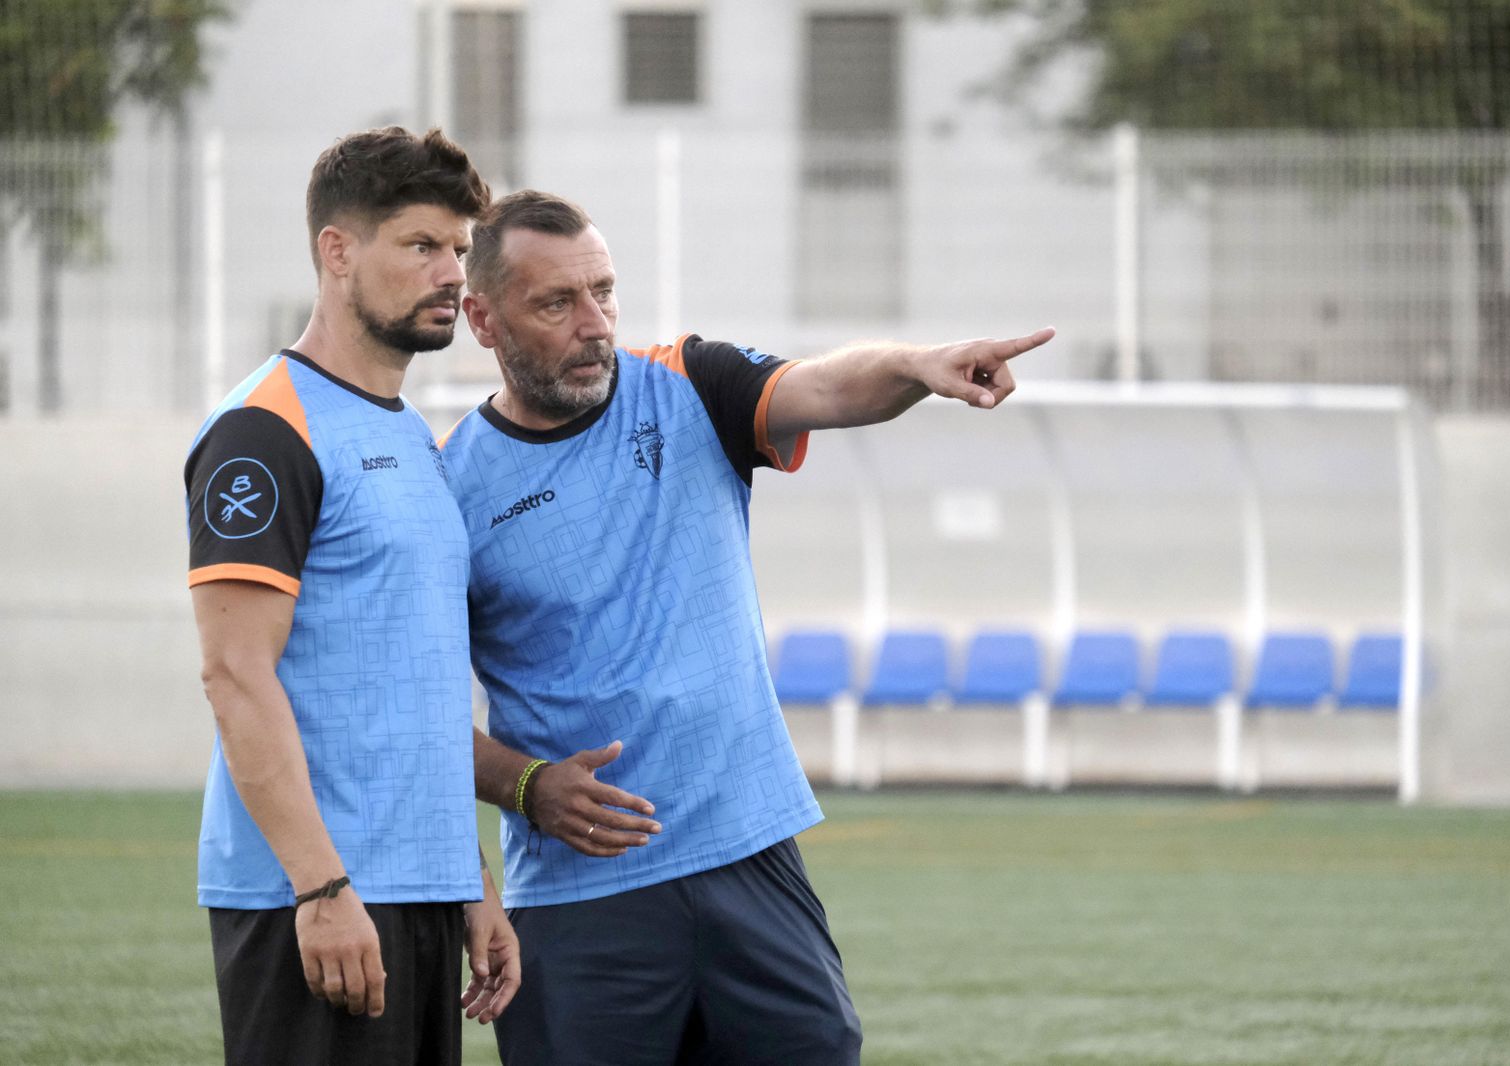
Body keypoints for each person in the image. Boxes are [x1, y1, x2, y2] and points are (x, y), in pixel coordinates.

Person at [439, 188, 1053, 1065]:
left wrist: (919, 366)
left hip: (749, 857)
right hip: (580, 900)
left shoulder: (688, 386)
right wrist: (524, 784)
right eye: (557, 302)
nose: (595, 323)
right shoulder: (448, 492)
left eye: (605, 292)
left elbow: (826, 386)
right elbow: (408, 705)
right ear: (482, 319)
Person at [184, 126, 521, 1066]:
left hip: (417, 892)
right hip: (319, 901)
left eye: (460, 249)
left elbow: (411, 684)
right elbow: (234, 674)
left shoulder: (413, 435)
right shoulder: (264, 429)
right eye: (422, 246)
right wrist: (319, 887)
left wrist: (468, 883)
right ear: (338, 252)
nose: (453, 271)